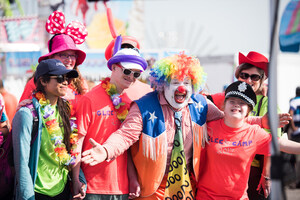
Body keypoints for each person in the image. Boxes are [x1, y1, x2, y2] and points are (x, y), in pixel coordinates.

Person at [208, 51, 299, 199]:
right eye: (244, 75)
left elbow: (274, 143)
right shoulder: (226, 97)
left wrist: (266, 175)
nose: (248, 80)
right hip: (223, 166)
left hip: (254, 169)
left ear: (262, 80)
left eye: (254, 76)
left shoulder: (267, 104)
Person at [74, 46, 148, 199]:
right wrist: (75, 180)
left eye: (136, 74)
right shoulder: (90, 98)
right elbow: (77, 142)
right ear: (113, 67)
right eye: (127, 71)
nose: (131, 77)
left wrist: (132, 178)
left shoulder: (131, 103)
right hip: (92, 187)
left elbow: (125, 145)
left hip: (122, 188)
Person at [12, 59, 86, 200]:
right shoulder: (26, 114)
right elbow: (21, 163)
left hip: (62, 189)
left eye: (67, 78)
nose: (65, 82)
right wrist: (28, 197)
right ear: (43, 81)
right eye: (59, 78)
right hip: (37, 191)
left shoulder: (65, 109)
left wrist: (77, 180)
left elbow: (71, 149)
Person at [196, 81, 272, 199]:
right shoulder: (208, 126)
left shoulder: (254, 132)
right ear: (223, 107)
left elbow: (277, 145)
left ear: (248, 111)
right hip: (206, 196)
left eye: (242, 103)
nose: (236, 105)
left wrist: (266, 174)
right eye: (232, 101)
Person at [19, 10, 89, 116]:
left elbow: (86, 115)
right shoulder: (36, 82)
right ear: (51, 57)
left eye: (72, 55)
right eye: (63, 55)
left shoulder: (81, 83)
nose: (69, 59)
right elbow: (23, 113)